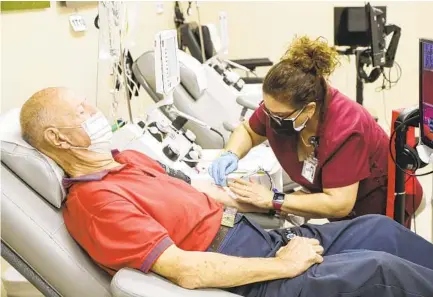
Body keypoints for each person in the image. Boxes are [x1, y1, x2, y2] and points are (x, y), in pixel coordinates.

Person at [19, 87, 433, 297]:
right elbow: (187, 270)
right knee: (378, 269)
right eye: (81, 112)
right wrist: (284, 266)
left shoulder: (122, 158)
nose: (94, 113)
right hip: (245, 273)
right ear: (58, 138)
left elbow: (192, 189)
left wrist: (259, 201)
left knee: (377, 229)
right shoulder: (95, 204)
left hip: (261, 238)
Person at [209, 36, 423, 227]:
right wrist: (230, 153)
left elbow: (339, 203)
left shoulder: (346, 128)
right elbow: (249, 130)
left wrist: (272, 199)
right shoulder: (279, 108)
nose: (270, 119)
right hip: (335, 203)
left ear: (309, 109)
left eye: (280, 116)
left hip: (376, 209)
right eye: (267, 111)